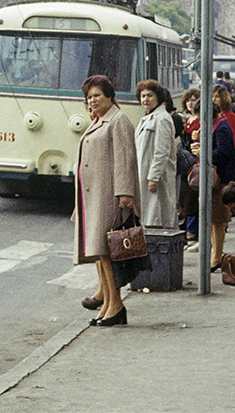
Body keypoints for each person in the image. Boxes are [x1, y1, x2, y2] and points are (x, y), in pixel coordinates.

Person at [73, 75, 141, 327]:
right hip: (94, 195)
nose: (92, 100)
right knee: (101, 253)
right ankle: (110, 303)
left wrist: (125, 193)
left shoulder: (118, 120)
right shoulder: (100, 121)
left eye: (97, 95)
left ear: (109, 96)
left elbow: (125, 159)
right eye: (89, 97)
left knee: (108, 252)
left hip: (110, 195)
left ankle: (116, 305)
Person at [190, 98, 235, 272]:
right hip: (215, 177)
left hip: (220, 178)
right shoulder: (217, 124)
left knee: (217, 219)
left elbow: (223, 152)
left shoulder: (222, 127)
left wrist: (203, 152)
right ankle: (214, 255)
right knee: (213, 218)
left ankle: (216, 257)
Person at [135, 79, 178, 229]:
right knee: (148, 217)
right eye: (143, 96)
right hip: (144, 174)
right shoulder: (147, 118)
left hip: (155, 179)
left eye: (150, 96)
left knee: (156, 217)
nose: (145, 99)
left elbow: (162, 151)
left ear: (158, 97)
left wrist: (153, 177)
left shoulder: (162, 119)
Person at [179, 88, 201, 248]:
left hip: (195, 162)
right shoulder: (187, 119)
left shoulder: (199, 121)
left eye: (194, 100)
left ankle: (192, 231)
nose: (190, 103)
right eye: (188, 100)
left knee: (192, 197)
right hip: (187, 163)